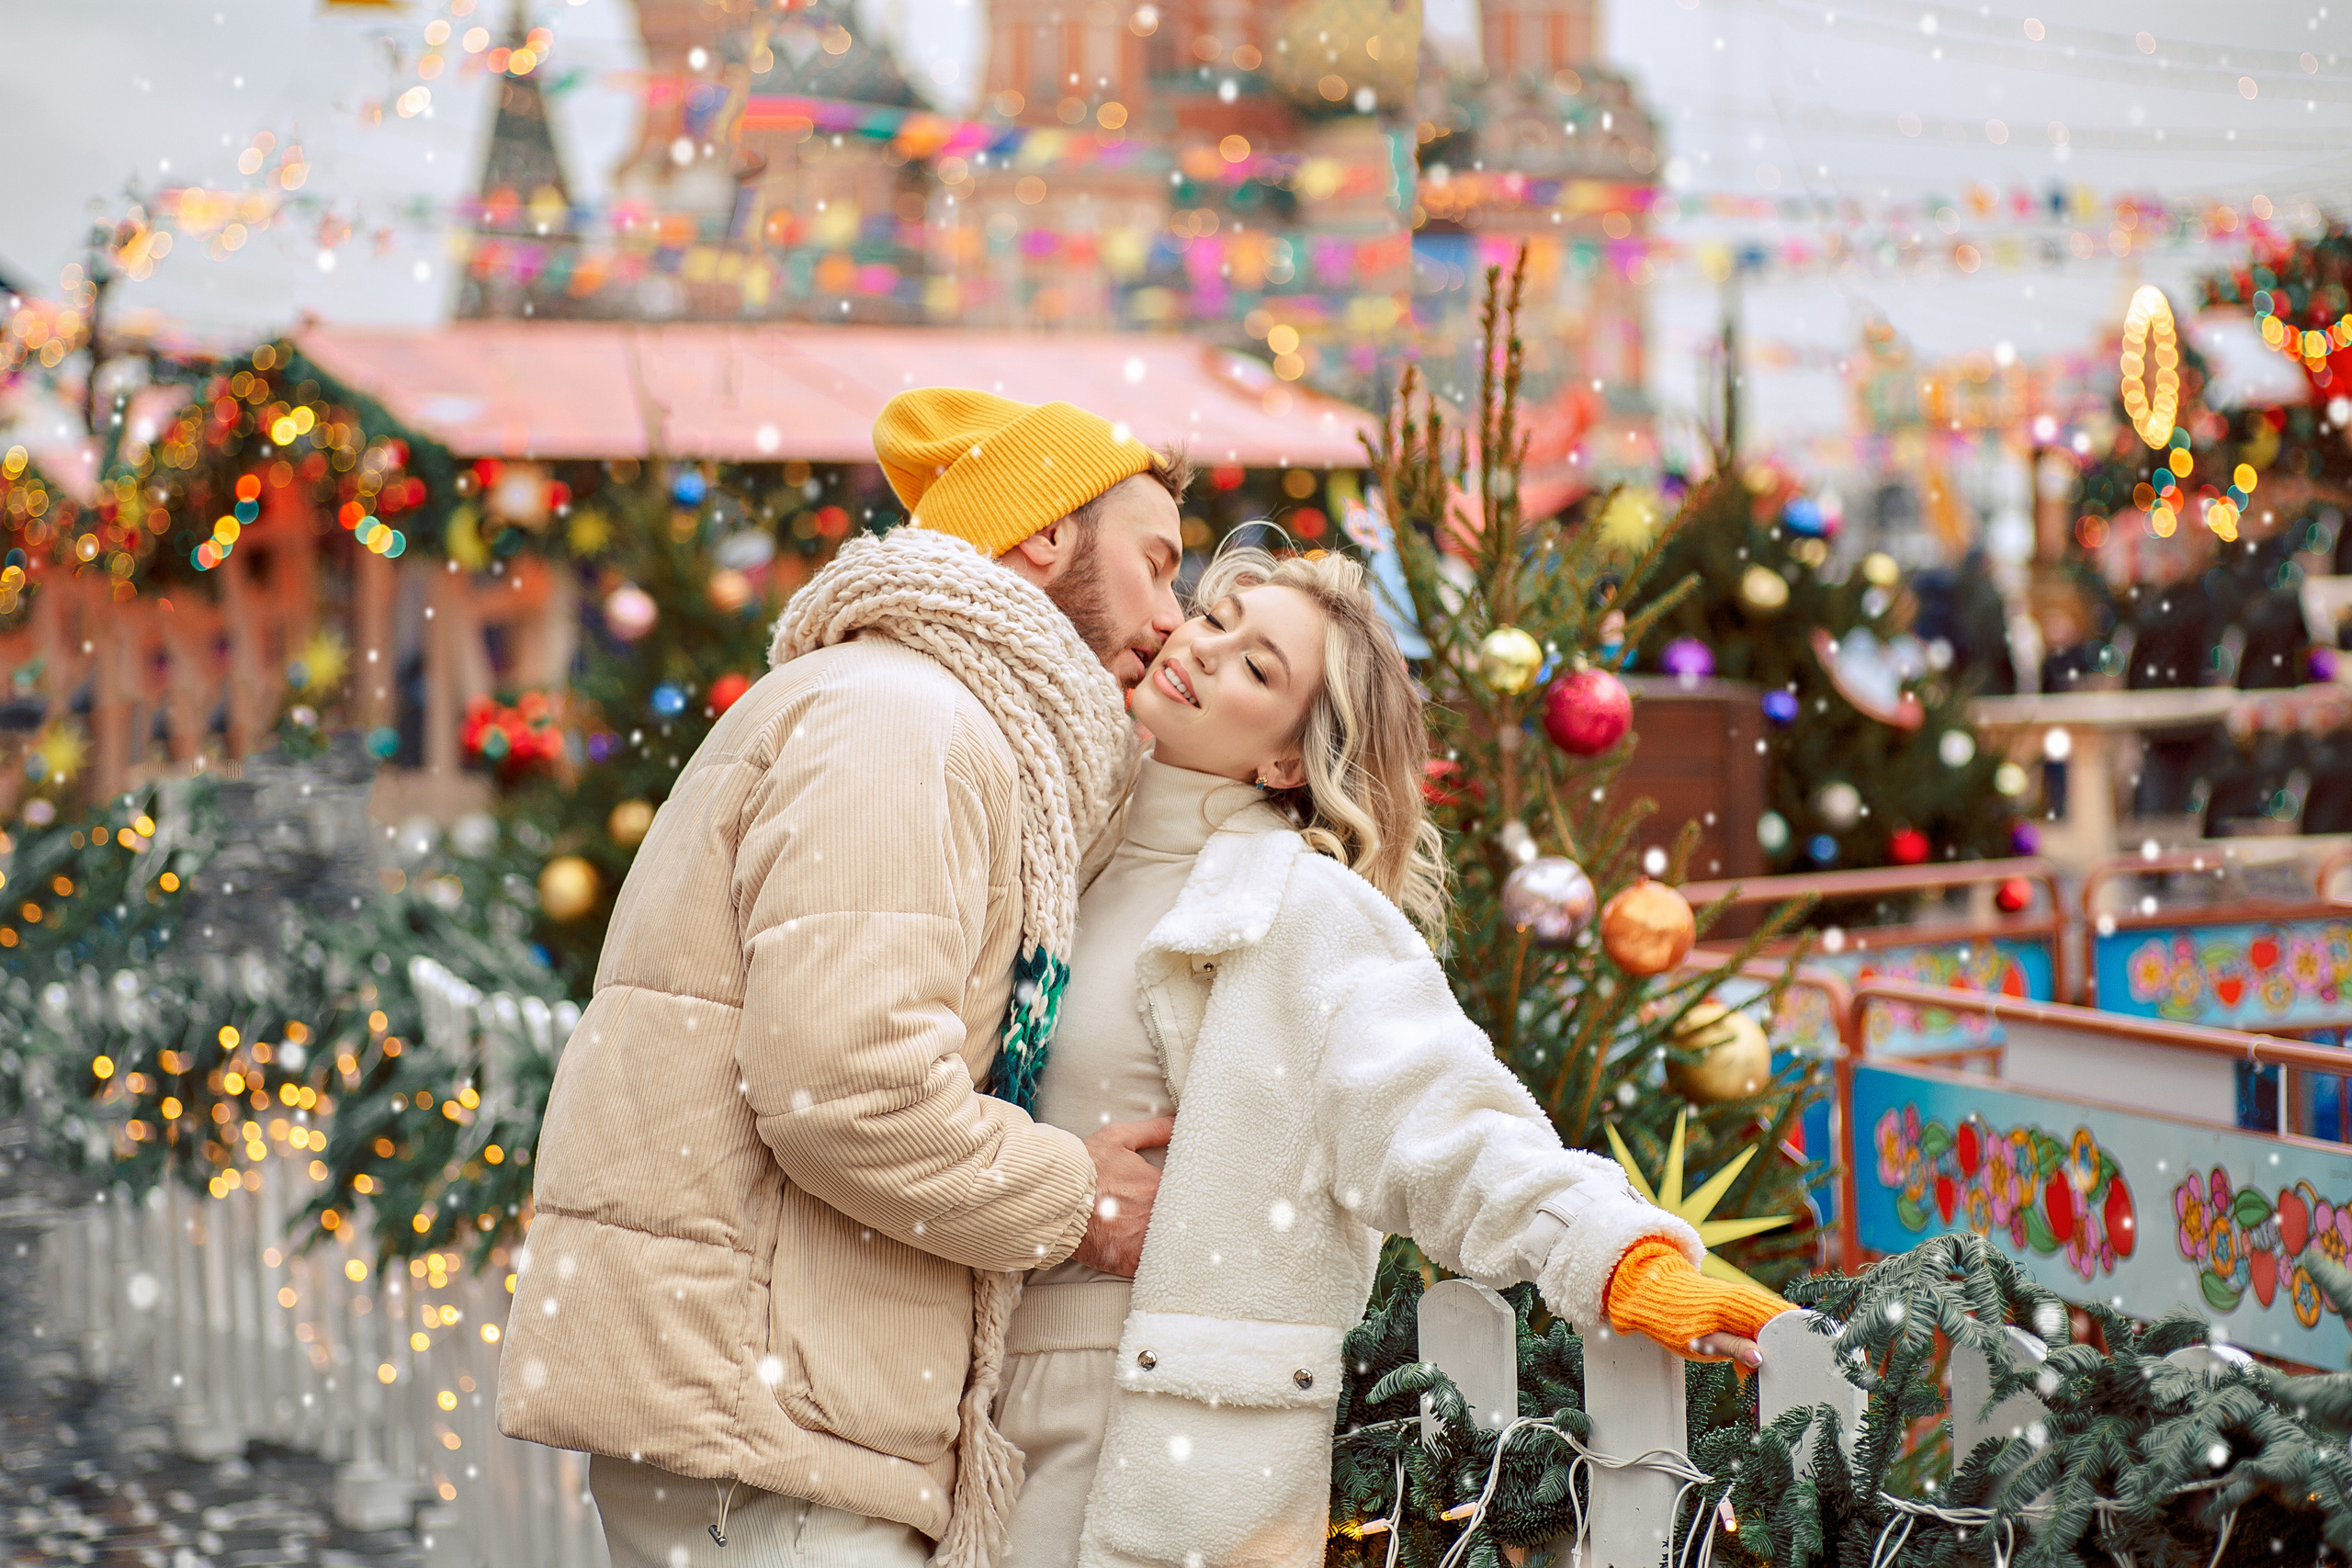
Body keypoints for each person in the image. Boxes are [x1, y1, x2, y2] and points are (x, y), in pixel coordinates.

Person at [497, 389, 1194, 1568]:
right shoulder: (903, 723)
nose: (1173, 618)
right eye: (1157, 563)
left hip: (777, 1414)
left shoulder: (922, 715)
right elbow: (849, 1089)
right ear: (1046, 535)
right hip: (770, 1437)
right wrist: (1081, 1200)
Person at [995, 547, 1789, 1568]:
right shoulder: (1052, 850)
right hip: (977, 1389)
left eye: (1258, 667)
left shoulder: (1298, 910)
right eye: (1215, 619)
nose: (1205, 649)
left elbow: (1441, 1122)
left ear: (1286, 761)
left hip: (1143, 1423)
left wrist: (1617, 1255)